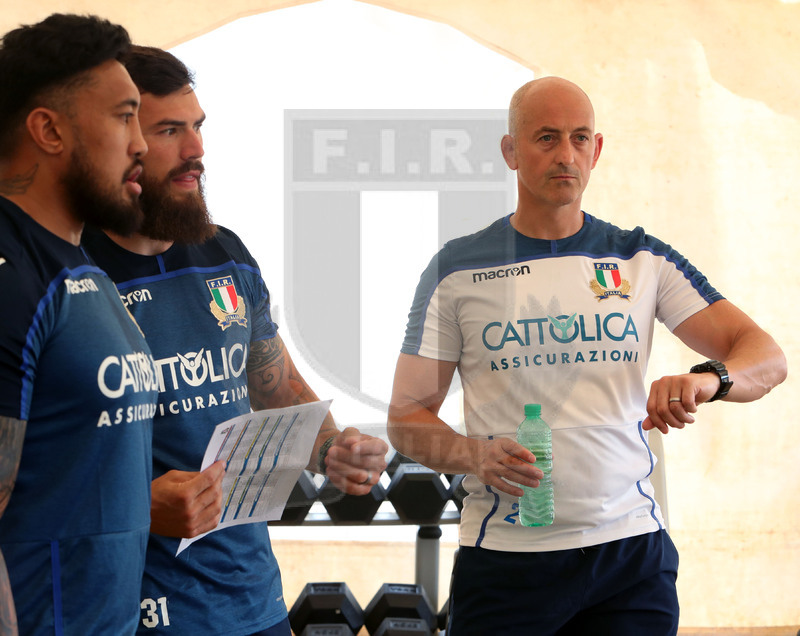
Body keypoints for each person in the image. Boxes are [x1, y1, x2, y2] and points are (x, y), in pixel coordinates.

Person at [387, 76, 787, 635]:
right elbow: (406, 421)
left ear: (596, 150)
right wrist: (474, 456)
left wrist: (708, 378)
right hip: (505, 563)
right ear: (511, 151)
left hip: (628, 559)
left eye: (580, 138)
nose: (565, 154)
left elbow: (766, 358)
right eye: (546, 138)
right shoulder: (456, 271)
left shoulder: (641, 259)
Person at [82, 46, 389, 636]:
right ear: (120, 143)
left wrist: (332, 448)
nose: (196, 150)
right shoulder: (69, 276)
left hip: (253, 601)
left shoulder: (226, 252)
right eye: (169, 130)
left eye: (197, 127)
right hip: (132, 612)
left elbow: (275, 385)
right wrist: (138, 510)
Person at [0, 13, 158, 636]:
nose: (141, 142)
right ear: (48, 129)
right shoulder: (12, 276)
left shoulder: (80, 266)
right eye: (124, 116)